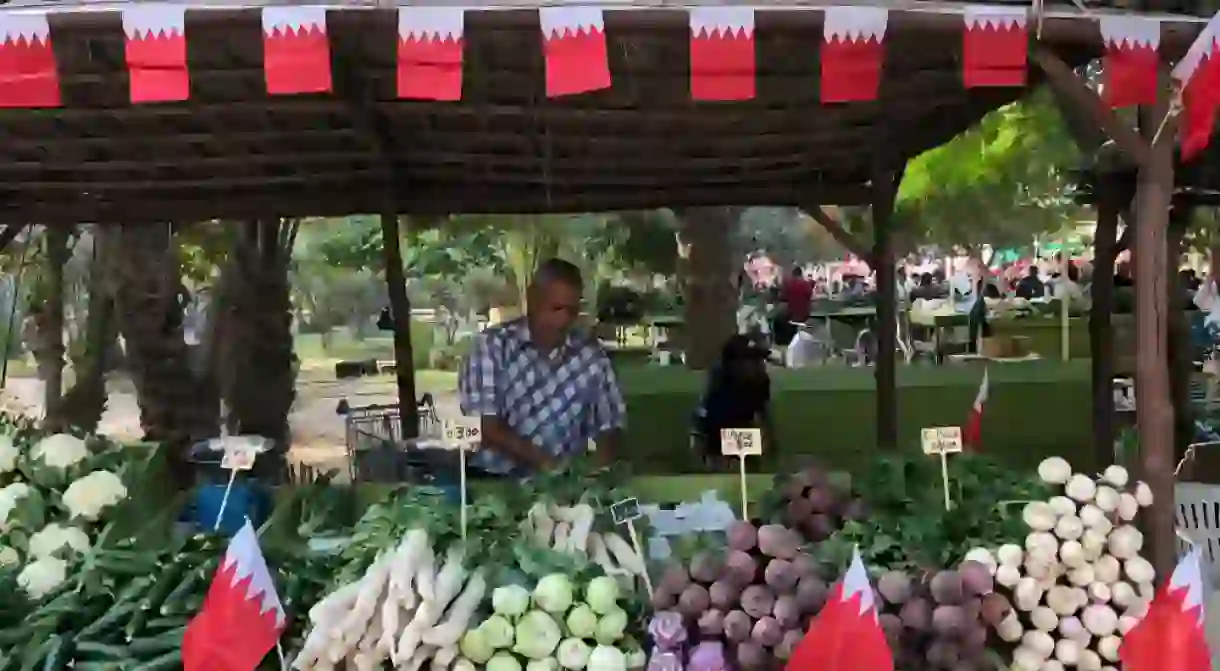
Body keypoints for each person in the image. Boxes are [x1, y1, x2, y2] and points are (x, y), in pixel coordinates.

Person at [458, 258, 625, 475]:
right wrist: (547, 464)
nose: (564, 320)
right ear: (533, 300)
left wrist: (599, 470)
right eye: (556, 308)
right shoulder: (492, 346)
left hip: (561, 487)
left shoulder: (591, 357)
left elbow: (610, 422)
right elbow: (484, 425)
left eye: (572, 311)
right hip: (493, 479)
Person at [691, 335, 775, 467]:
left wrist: (769, 438)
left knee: (748, 473)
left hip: (743, 426)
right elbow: (705, 422)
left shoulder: (761, 380)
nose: (759, 364)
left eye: (759, 359)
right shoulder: (718, 381)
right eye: (751, 360)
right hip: (716, 428)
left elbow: (762, 410)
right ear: (733, 363)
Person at [775, 266, 813, 346]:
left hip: (791, 315)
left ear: (793, 275)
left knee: (778, 319)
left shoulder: (788, 285)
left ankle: (781, 342)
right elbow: (811, 297)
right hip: (805, 316)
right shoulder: (806, 284)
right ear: (801, 274)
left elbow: (782, 298)